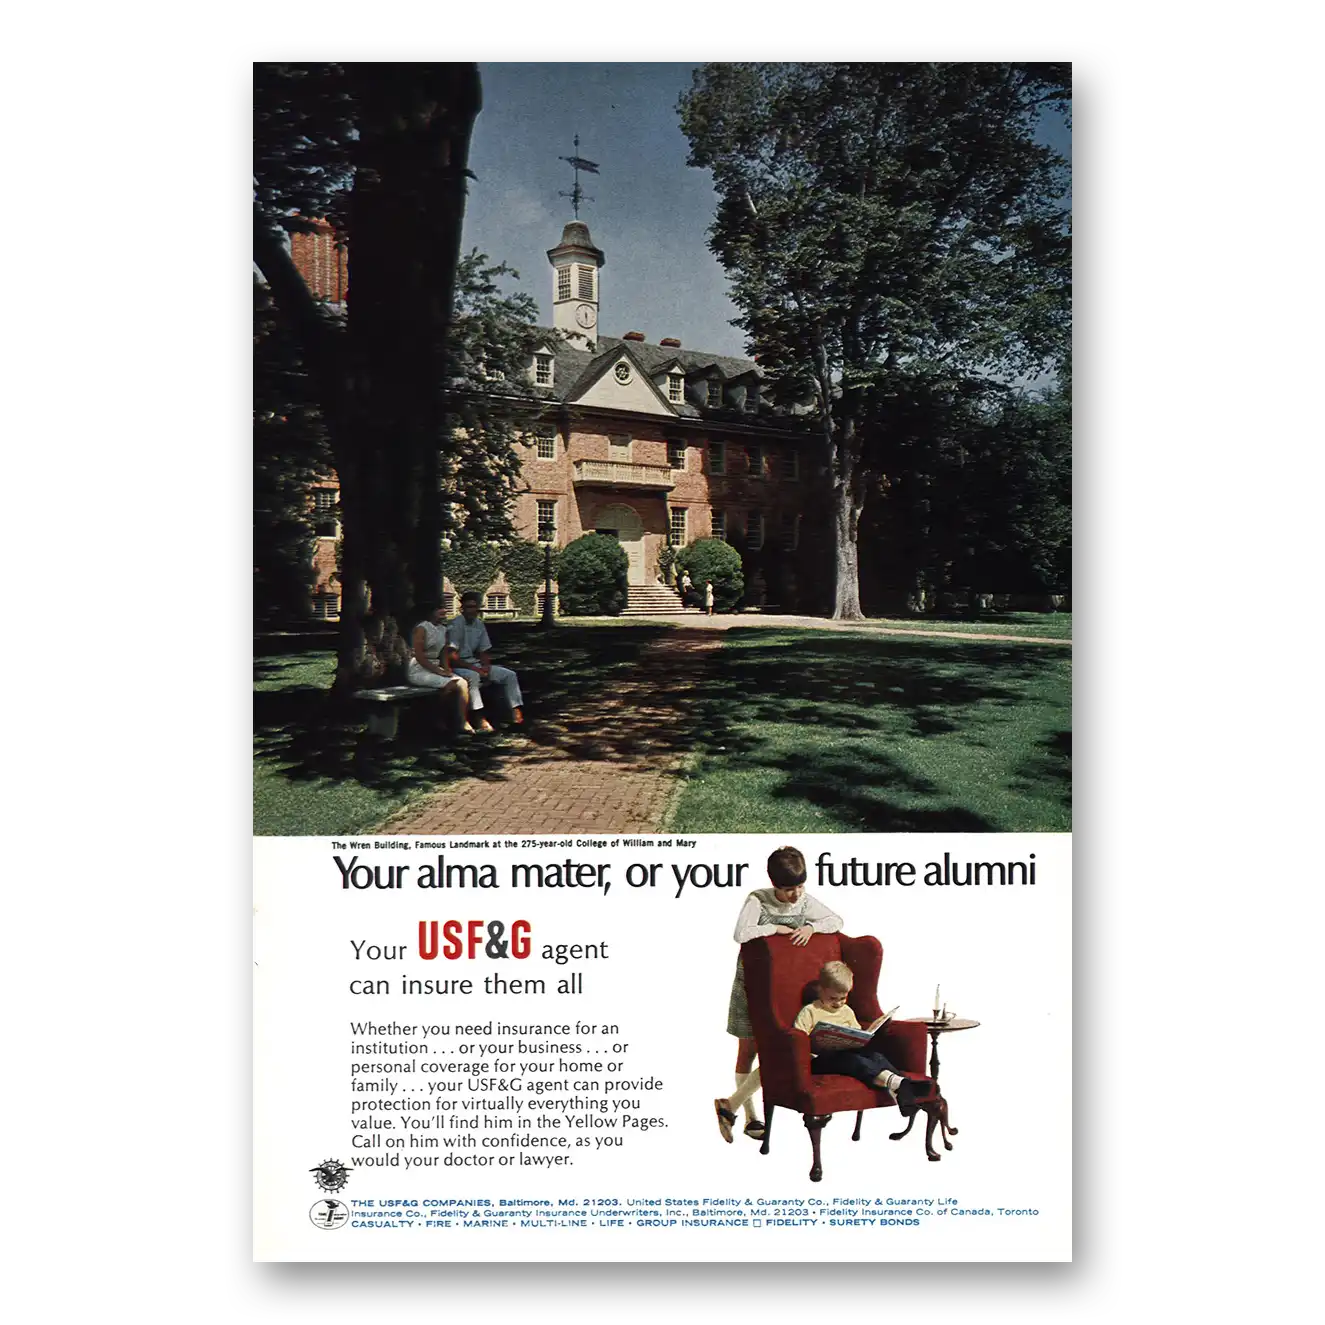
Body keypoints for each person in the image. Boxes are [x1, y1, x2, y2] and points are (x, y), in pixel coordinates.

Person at [712, 846, 842, 1143]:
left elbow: (836, 921)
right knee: (749, 1049)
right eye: (788, 890)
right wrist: (774, 929)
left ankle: (728, 1106)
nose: (795, 895)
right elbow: (740, 933)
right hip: (754, 986)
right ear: (774, 885)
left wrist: (811, 927)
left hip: (786, 989)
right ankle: (749, 1116)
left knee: (781, 1050)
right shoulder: (758, 900)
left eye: (799, 887)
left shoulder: (804, 901)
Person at [445, 592, 525, 726]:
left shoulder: (479, 624)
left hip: (474, 663)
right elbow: (452, 657)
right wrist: (476, 669)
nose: (471, 611)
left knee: (509, 675)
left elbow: (484, 650)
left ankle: (515, 711)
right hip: (458, 666)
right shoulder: (455, 625)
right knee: (473, 677)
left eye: (474, 607)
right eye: (468, 607)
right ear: (462, 608)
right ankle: (478, 715)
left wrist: (486, 667)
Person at [406, 604, 476, 732]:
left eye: (445, 610)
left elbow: (443, 652)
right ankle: (442, 718)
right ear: (431, 612)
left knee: (462, 683)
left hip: (436, 668)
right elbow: (419, 656)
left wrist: (446, 668)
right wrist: (439, 671)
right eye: (440, 610)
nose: (444, 613)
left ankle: (457, 720)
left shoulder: (443, 630)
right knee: (456, 684)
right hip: (419, 670)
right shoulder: (422, 628)